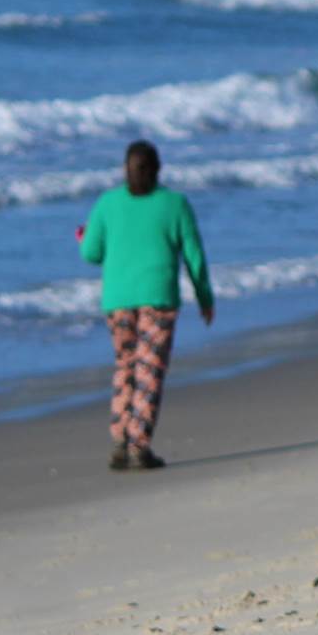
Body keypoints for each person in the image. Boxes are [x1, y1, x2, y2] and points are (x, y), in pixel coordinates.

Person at [77, 140, 214, 471]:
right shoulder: (175, 204)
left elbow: (91, 253)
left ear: (125, 170)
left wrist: (83, 236)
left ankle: (120, 439)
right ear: (158, 170)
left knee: (125, 365)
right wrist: (205, 297)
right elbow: (194, 256)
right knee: (149, 370)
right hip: (157, 298)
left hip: (118, 300)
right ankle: (138, 444)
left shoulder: (107, 204)